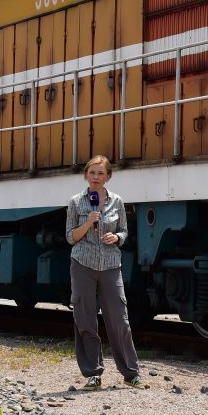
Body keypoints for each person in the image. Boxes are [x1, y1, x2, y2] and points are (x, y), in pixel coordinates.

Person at [65, 155, 146, 390]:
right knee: (85, 318)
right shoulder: (75, 202)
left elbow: (124, 232)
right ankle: (93, 374)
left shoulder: (117, 201)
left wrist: (117, 237)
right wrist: (88, 222)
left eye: (101, 173)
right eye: (92, 173)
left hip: (110, 264)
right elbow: (71, 237)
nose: (96, 177)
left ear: (108, 176)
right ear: (86, 176)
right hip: (82, 264)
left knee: (120, 319)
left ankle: (131, 374)